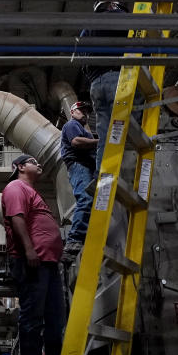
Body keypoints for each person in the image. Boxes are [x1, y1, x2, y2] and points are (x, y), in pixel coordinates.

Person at [2, 153, 66, 355]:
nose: (38, 165)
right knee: (33, 319)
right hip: (32, 262)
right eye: (32, 162)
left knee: (55, 321)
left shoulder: (33, 192)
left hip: (48, 264)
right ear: (19, 166)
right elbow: (17, 219)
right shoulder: (16, 187)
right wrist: (29, 250)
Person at [83, 0, 131, 170]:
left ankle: (102, 173)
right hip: (117, 78)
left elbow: (81, 51)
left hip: (95, 84)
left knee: (104, 135)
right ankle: (126, 172)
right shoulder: (119, 16)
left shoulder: (88, 26)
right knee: (128, 126)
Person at [60, 101, 97, 257]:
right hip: (79, 165)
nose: (85, 114)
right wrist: (100, 142)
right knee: (86, 199)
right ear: (73, 111)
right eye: (81, 110)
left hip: (88, 167)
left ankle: (85, 236)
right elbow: (76, 142)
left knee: (92, 201)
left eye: (87, 112)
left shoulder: (83, 129)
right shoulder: (72, 125)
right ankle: (74, 239)